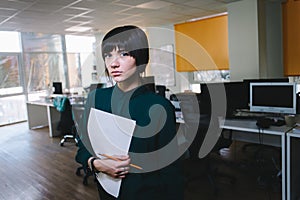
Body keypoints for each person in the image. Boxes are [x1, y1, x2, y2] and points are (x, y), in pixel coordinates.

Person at [75, 25, 184, 200]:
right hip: (107, 191)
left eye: (124, 54)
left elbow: (170, 169)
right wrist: (96, 164)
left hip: (147, 193)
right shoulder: (97, 98)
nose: (113, 63)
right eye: (108, 55)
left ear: (140, 58)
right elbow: (83, 146)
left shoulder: (159, 106)